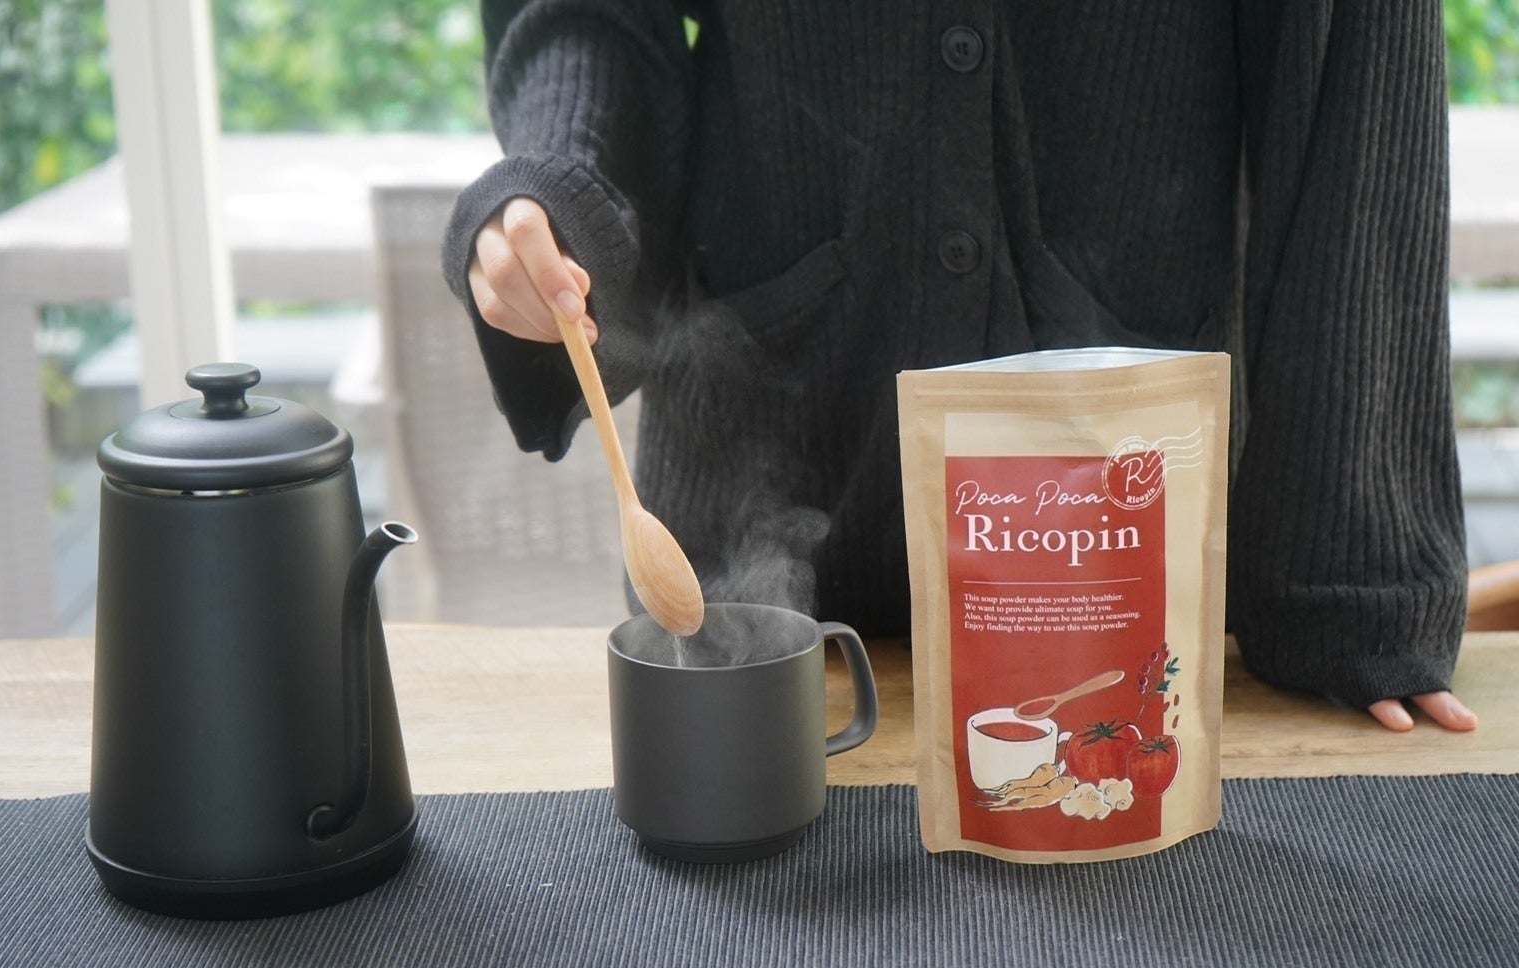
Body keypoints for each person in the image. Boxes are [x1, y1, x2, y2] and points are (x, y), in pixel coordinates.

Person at [442, 2, 1478, 733]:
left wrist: (1353, 572)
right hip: (762, 562)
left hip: (1124, 565)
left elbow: (1352, 54)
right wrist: (559, 184)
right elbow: (592, 13)